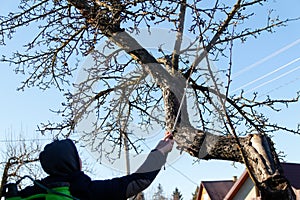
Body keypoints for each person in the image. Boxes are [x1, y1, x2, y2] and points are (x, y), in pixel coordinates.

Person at [18, 132, 174, 200]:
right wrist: (160, 152)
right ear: (72, 161)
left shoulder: (31, 193)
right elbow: (138, 181)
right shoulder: (88, 191)